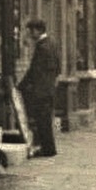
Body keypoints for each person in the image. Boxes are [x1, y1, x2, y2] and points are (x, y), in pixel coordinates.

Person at [17, 19, 60, 158]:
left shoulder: (42, 47)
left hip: (41, 90)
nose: (29, 34)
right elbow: (58, 67)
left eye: (30, 31)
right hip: (48, 88)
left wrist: (22, 85)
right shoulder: (51, 44)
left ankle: (47, 149)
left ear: (37, 30)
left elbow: (34, 71)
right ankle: (49, 148)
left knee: (42, 121)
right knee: (45, 120)